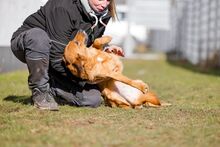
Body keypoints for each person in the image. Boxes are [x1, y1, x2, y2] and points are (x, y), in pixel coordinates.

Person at [10, 0, 124, 111]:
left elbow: (89, 43)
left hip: (61, 55)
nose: (104, 4)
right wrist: (84, 78)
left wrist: (105, 48)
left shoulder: (102, 13)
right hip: (31, 44)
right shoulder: (62, 5)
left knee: (92, 99)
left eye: (108, 0)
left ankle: (53, 90)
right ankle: (40, 93)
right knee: (38, 37)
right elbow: (56, 56)